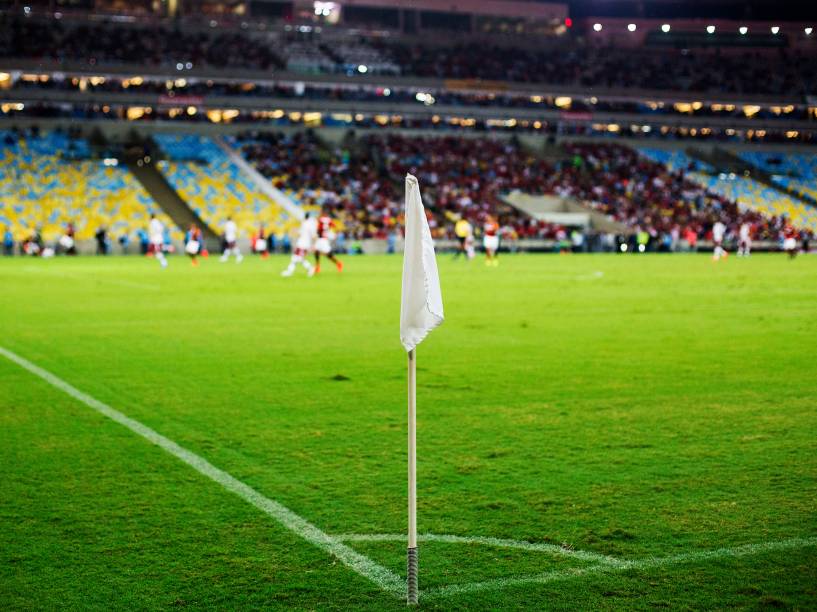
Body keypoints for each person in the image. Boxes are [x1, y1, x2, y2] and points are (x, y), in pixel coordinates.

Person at [281, 213, 316, 277]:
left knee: (298, 258)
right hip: (303, 243)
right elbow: (311, 235)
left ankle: (310, 268)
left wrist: (295, 230)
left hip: (303, 244)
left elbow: (305, 234)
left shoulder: (305, 224)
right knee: (296, 257)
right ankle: (290, 271)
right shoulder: (311, 224)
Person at [314, 208, 343, 274]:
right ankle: (317, 267)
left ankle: (338, 263)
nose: (319, 213)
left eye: (320, 212)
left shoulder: (321, 219)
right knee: (316, 251)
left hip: (323, 239)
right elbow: (335, 227)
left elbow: (317, 225)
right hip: (321, 238)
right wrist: (336, 233)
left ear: (323, 213)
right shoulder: (328, 220)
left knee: (327, 254)